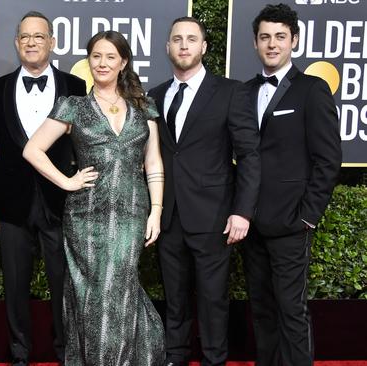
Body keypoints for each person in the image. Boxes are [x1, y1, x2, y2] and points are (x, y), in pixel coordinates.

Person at [23, 30, 165, 365]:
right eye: (96, 56)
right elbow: (32, 149)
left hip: (132, 212)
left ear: (123, 63)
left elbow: (153, 160)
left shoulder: (144, 107)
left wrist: (156, 210)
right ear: (89, 61)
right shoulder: (73, 107)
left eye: (110, 57)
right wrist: (66, 181)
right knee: (93, 295)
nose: (102, 63)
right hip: (85, 216)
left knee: (119, 285)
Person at [146, 17, 260, 366]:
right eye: (177, 39)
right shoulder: (154, 95)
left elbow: (249, 155)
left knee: (213, 299)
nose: (183, 45)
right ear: (167, 47)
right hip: (169, 215)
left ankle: (214, 359)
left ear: (203, 47)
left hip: (214, 216)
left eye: (191, 39)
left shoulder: (230, 92)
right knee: (175, 296)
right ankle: (175, 357)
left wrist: (242, 211)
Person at [243, 4, 342, 365]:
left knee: (291, 310)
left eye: (280, 37)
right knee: (262, 309)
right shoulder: (245, 91)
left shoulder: (312, 90)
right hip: (249, 223)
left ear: (294, 41)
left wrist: (308, 217)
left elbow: (329, 160)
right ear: (255, 42)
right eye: (265, 37)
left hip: (290, 223)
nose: (272, 44)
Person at [0, 11, 85, 365]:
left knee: (63, 285)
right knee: (15, 286)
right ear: (16, 42)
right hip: (11, 205)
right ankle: (20, 354)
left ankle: (63, 352)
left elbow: (83, 145)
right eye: (25, 36)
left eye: (39, 36)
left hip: (61, 201)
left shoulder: (75, 87)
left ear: (52, 43)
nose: (31, 42)